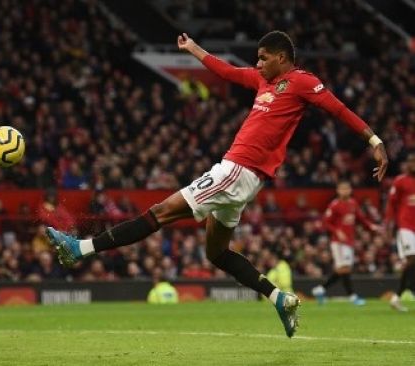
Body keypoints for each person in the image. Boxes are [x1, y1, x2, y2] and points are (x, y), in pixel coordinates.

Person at [46, 31, 388, 338]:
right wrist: (194, 49)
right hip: (241, 176)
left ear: (282, 57)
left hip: (238, 170)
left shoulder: (300, 81)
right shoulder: (263, 82)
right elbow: (227, 72)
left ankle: (81, 249)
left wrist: (374, 141)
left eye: (264, 58)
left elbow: (339, 109)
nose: (258, 64)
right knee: (217, 252)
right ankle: (278, 297)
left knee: (161, 212)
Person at [311, 181, 380, 306]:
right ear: (338, 191)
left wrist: (372, 226)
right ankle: (352, 296)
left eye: (347, 189)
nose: (345, 191)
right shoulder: (334, 205)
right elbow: (325, 222)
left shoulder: (353, 203)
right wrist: (337, 231)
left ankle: (320, 289)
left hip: (349, 241)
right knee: (345, 269)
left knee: (342, 269)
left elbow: (361, 218)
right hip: (338, 242)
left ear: (350, 190)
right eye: (342, 189)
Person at [385, 152, 415, 312]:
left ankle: (397, 297)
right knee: (411, 260)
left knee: (412, 264)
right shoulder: (400, 181)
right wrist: (388, 225)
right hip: (406, 227)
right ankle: (397, 297)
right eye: (411, 162)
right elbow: (391, 204)